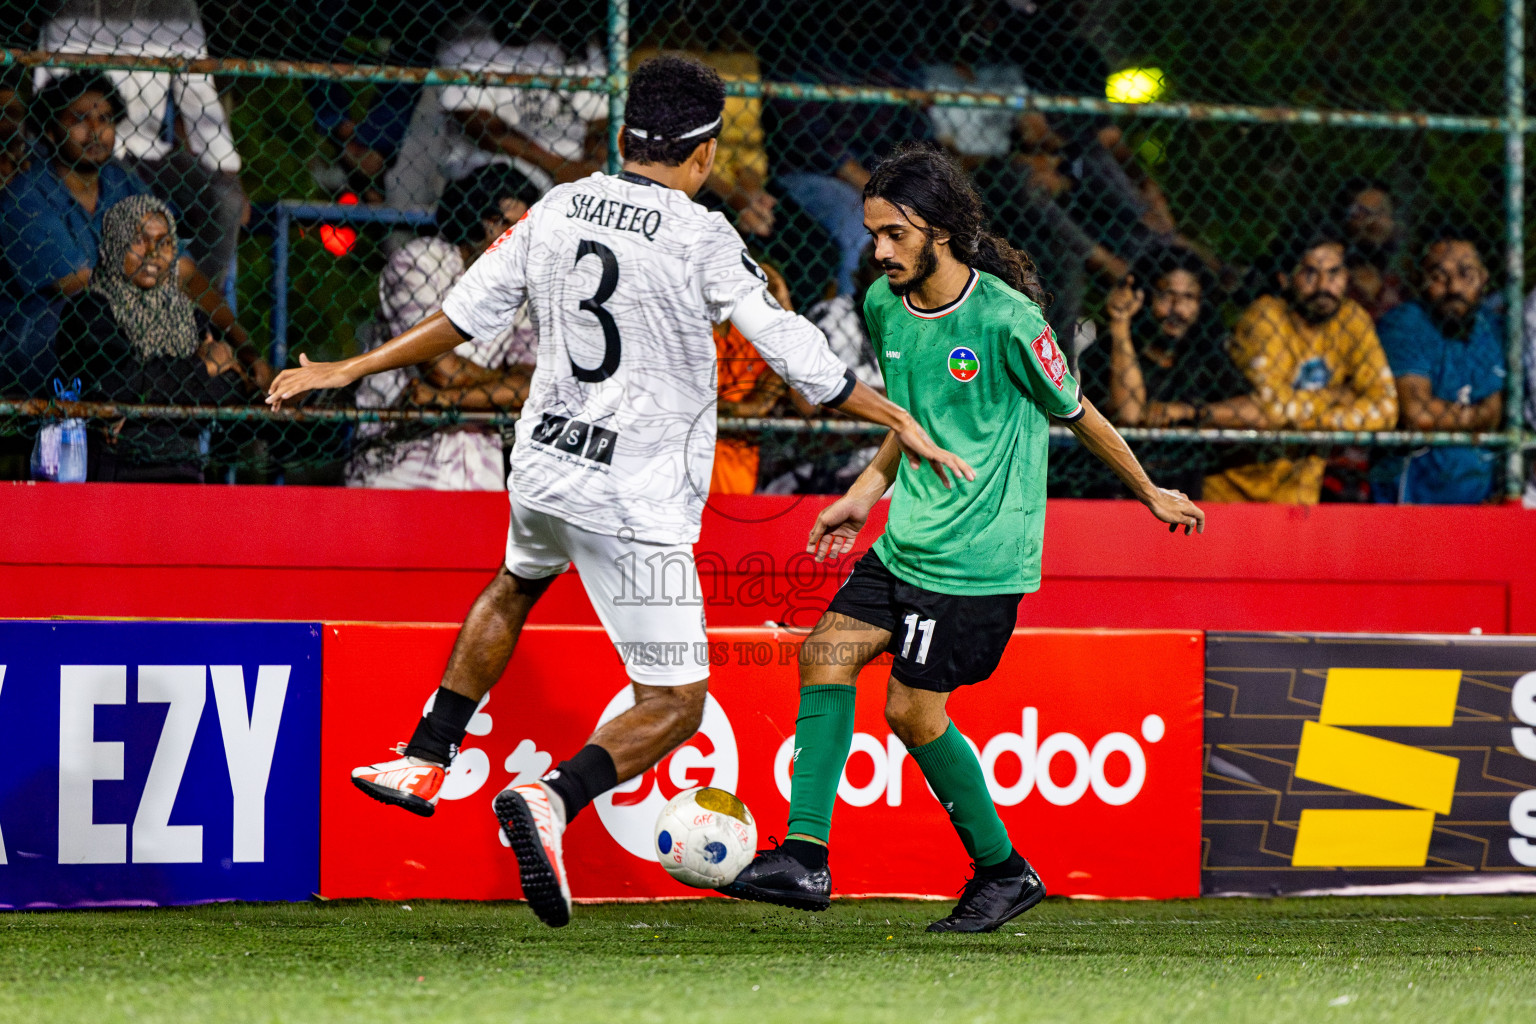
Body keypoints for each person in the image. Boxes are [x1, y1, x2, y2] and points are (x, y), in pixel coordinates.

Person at [265, 56, 971, 930]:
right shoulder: (702, 235)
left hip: (545, 468)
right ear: (704, 153)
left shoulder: (558, 206)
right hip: (633, 500)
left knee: (515, 583)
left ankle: (426, 753)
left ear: (628, 134)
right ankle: (554, 798)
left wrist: (351, 366)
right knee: (676, 704)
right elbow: (798, 356)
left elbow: (462, 315)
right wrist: (897, 417)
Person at [723, 144, 1204, 933]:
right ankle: (806, 857)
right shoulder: (884, 305)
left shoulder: (1009, 320)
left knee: (913, 713)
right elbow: (909, 420)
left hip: (975, 561)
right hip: (906, 540)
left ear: (939, 231)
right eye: (874, 234)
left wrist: (1149, 490)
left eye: (895, 234)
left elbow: (1077, 411)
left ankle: (1004, 871)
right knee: (825, 654)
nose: (880, 251)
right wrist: (862, 495)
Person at [0, 72, 265, 395]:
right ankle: (205, 379)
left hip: (127, 337)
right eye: (79, 119)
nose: (95, 130)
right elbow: (81, 287)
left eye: (105, 119)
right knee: (97, 315)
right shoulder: (25, 196)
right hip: (43, 343)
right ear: (52, 131)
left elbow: (184, 274)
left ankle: (236, 383)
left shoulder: (121, 181)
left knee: (197, 324)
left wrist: (245, 346)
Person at [346, 164, 541, 491]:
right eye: (509, 226)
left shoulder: (519, 287)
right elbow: (441, 369)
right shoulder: (420, 261)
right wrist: (502, 382)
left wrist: (444, 399)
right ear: (482, 220)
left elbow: (535, 388)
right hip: (399, 462)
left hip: (478, 471)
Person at [38, 1, 248, 286]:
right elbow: (50, 95)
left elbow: (198, 95)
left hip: (148, 149)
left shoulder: (177, 9)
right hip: (85, 148)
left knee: (225, 198)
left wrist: (227, 169)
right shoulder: (70, 8)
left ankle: (197, 305)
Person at [56, 194, 248, 481]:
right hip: (116, 474)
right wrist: (202, 368)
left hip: (184, 474)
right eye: (139, 240)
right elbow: (114, 384)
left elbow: (229, 388)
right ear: (116, 243)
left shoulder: (188, 316)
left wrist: (141, 398)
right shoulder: (89, 309)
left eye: (165, 243)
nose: (153, 253)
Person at [1205, 228, 1398, 504]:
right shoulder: (1264, 316)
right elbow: (1270, 408)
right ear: (1285, 279)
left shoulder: (1352, 319)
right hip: (1232, 492)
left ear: (1346, 277)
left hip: (1299, 495)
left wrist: (1308, 414)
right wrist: (1339, 398)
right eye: (1310, 273)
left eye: (1334, 273)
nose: (1323, 286)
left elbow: (1386, 409)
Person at [1077, 249, 1257, 497]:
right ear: (1143, 297)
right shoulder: (1106, 351)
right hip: (1114, 490)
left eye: (1188, 297)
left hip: (1184, 488)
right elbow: (1129, 414)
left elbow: (1257, 411)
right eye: (1166, 295)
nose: (1177, 309)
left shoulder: (1203, 355)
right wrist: (1120, 325)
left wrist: (1186, 411)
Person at [1374, 229, 1506, 503]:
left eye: (1466, 275)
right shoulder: (1404, 324)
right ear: (1420, 280)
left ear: (1484, 278)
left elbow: (1495, 414)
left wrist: (1452, 416)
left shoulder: (1491, 328)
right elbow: (1418, 414)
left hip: (1481, 499)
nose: (1454, 288)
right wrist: (1476, 417)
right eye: (1439, 276)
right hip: (1414, 498)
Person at [1334, 177, 1404, 321]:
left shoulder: (1401, 285)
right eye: (1362, 212)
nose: (1374, 221)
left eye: (1381, 211)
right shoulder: (1333, 283)